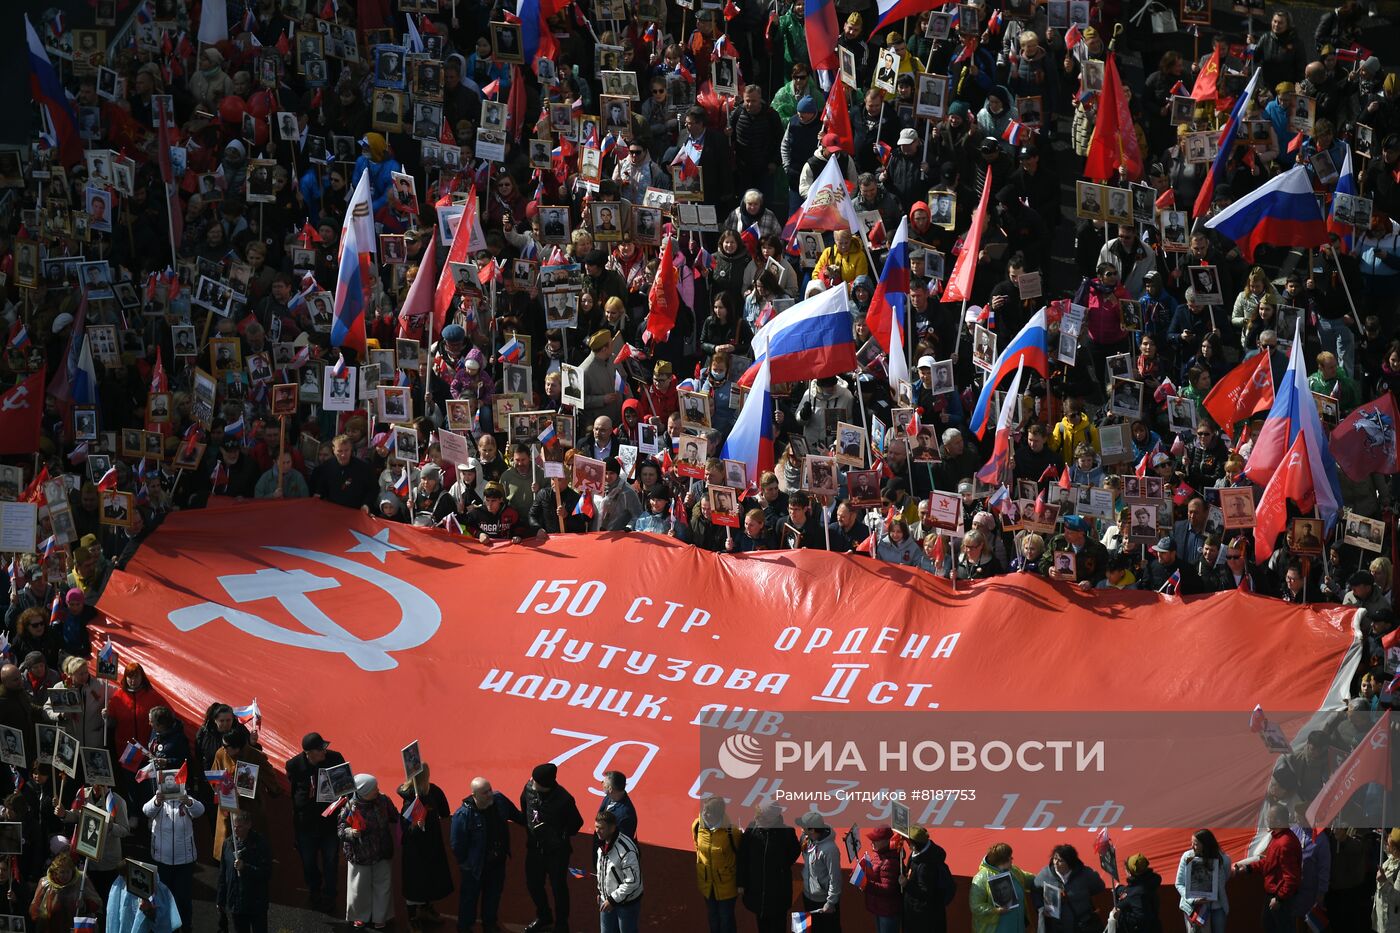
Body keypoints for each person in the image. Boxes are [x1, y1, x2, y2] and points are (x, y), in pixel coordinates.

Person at [284, 731, 346, 912]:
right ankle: (314, 889)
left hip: (329, 822)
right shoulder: (294, 766)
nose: (324, 752)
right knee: (309, 862)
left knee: (330, 860)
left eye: (324, 748)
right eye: (320, 750)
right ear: (308, 753)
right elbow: (294, 792)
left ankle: (330, 895)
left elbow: (346, 786)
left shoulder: (335, 759)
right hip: (306, 824)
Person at [451, 777, 521, 933]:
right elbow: (457, 845)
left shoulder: (499, 800)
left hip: (497, 862)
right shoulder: (463, 815)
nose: (490, 794)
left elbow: (517, 816)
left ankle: (489, 924)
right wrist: (467, 864)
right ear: (474, 795)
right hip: (475, 867)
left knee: (493, 896)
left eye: (490, 790)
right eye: (485, 792)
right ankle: (464, 927)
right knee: (469, 899)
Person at [520, 762, 583, 933]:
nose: (531, 780)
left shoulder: (564, 799)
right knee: (533, 884)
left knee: (558, 888)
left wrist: (558, 837)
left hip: (557, 853)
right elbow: (525, 808)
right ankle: (544, 915)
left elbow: (577, 823)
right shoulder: (529, 789)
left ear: (545, 784)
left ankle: (562, 924)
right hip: (534, 849)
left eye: (535, 779)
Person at [142, 781, 206, 929]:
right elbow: (146, 810)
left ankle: (186, 927)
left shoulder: (185, 799)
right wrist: (157, 801)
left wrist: (189, 802)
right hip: (162, 861)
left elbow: (200, 810)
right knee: (163, 900)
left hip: (184, 862)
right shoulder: (158, 800)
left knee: (183, 900)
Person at [398, 765, 453, 930]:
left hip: (430, 846)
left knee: (429, 879)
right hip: (415, 851)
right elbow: (407, 832)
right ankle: (413, 917)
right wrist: (417, 825)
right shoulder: (411, 801)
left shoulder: (432, 791)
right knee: (416, 882)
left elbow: (444, 811)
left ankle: (425, 908)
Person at [340, 774, 397, 929]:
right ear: (364, 792)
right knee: (359, 888)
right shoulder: (350, 806)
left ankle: (381, 917)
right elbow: (341, 830)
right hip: (360, 854)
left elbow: (394, 816)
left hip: (381, 851)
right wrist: (351, 832)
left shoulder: (383, 800)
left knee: (383, 886)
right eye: (374, 788)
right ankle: (359, 916)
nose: (377, 790)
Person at [737, 801, 801, 933]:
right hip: (757, 892)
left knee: (778, 927)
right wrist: (741, 883)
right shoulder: (752, 830)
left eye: (761, 817)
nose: (757, 819)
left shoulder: (787, 833)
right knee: (763, 926)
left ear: (773, 818)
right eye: (757, 816)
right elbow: (743, 857)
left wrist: (780, 868)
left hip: (778, 893)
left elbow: (794, 853)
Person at [218, 810, 272, 933]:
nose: (236, 830)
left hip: (256, 903)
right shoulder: (228, 843)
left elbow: (266, 873)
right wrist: (220, 900)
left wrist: (245, 868)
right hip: (237, 903)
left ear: (249, 825)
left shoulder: (260, 843)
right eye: (234, 826)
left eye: (240, 827)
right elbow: (223, 874)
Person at [694, 796, 742, 933]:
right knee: (713, 918)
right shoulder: (697, 825)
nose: (704, 814)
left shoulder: (732, 832)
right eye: (704, 810)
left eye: (709, 811)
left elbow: (740, 855)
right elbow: (697, 847)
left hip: (727, 885)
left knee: (726, 920)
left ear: (718, 814)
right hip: (707, 884)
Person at [1033, 844, 1107, 931]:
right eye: (1054, 858)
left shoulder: (1086, 874)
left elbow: (1099, 887)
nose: (1055, 863)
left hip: (1082, 925)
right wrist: (1041, 907)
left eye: (1060, 860)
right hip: (1057, 927)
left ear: (1070, 862)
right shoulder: (1045, 874)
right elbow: (1035, 891)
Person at [594, 809, 642, 933]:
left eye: (601, 828)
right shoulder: (602, 844)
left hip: (626, 903)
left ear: (612, 828)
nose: (597, 831)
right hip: (607, 899)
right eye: (596, 827)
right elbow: (603, 871)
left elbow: (632, 882)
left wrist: (612, 899)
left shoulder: (626, 850)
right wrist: (601, 891)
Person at [796, 811, 841, 930]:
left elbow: (835, 878)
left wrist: (830, 903)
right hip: (808, 896)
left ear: (812, 830)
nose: (801, 830)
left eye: (804, 827)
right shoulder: (805, 838)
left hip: (824, 901)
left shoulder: (830, 850)